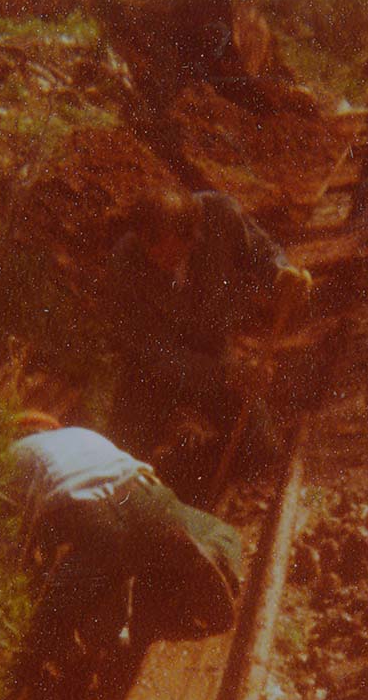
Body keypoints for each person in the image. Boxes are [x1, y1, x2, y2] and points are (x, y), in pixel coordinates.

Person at [6, 413, 243, 697]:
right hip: (148, 496)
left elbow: (21, 544)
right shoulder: (82, 434)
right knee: (218, 530)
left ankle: (64, 670)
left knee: (57, 609)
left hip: (94, 520)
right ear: (52, 427)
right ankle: (213, 558)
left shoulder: (14, 456)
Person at [104, 187, 311, 490]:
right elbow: (156, 354)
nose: (157, 258)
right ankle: (169, 476)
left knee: (262, 450)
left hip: (213, 350)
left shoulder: (219, 216)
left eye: (167, 250)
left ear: (192, 237)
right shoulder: (126, 260)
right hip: (152, 370)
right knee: (119, 468)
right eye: (151, 249)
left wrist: (280, 276)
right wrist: (226, 374)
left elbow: (262, 252)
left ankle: (189, 471)